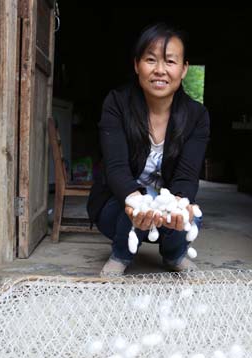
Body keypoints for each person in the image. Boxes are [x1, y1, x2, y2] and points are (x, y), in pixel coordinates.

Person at [87, 22, 210, 277]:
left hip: (165, 211)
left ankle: (174, 255)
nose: (160, 70)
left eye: (170, 61)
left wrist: (179, 204)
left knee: (189, 216)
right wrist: (137, 202)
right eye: (151, 60)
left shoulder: (197, 116)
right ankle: (121, 254)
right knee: (139, 202)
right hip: (118, 208)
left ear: (184, 69)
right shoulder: (117, 104)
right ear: (137, 65)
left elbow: (187, 176)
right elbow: (116, 169)